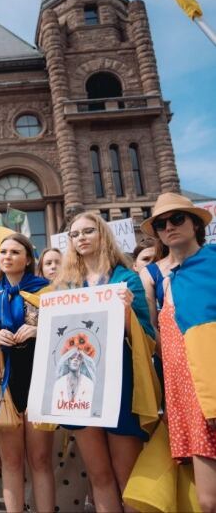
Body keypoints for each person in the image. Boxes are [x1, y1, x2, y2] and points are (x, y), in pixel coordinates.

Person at [54, 212, 159, 513]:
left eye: (89, 231)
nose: (82, 238)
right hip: (81, 387)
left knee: (127, 475)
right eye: (75, 234)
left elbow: (147, 336)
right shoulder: (66, 285)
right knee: (99, 476)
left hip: (121, 382)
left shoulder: (126, 279)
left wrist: (127, 315)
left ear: (103, 235)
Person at [140, 192, 216, 511]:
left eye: (177, 218)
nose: (169, 226)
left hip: (212, 380)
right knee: (207, 500)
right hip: (188, 393)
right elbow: (151, 334)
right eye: (161, 223)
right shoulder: (158, 277)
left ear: (196, 223)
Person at [0, 234, 54, 513]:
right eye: (3, 251)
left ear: (28, 259)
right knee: (11, 461)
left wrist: (40, 330)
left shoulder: (47, 291)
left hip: (39, 380)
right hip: (3, 381)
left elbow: (67, 332)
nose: (6, 256)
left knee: (40, 459)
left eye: (15, 252)